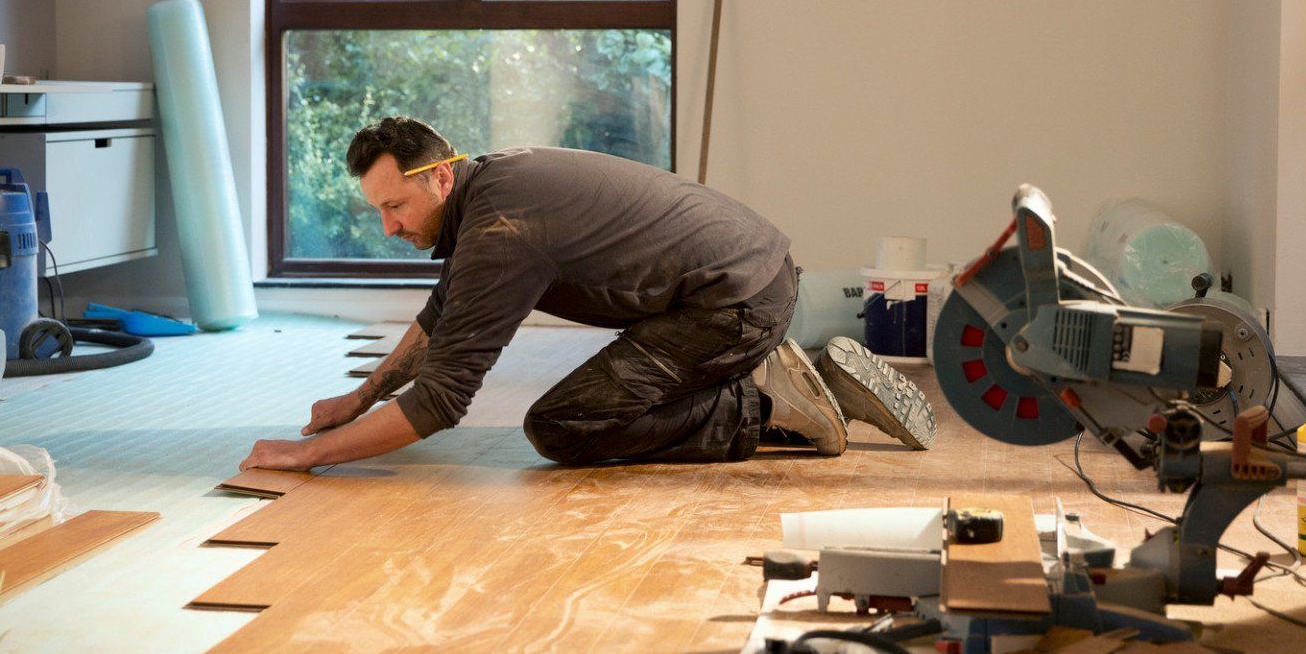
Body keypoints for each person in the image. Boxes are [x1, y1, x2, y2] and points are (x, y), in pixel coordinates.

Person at [241, 117, 933, 472]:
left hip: (734, 305)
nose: (388, 226)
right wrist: (361, 398)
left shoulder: (501, 231)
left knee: (562, 427)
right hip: (746, 280)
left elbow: (443, 402)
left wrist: (307, 456)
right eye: (377, 212)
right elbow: (443, 315)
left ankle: (766, 404)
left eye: (394, 206)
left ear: (439, 179)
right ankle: (767, 375)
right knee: (597, 405)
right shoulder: (493, 188)